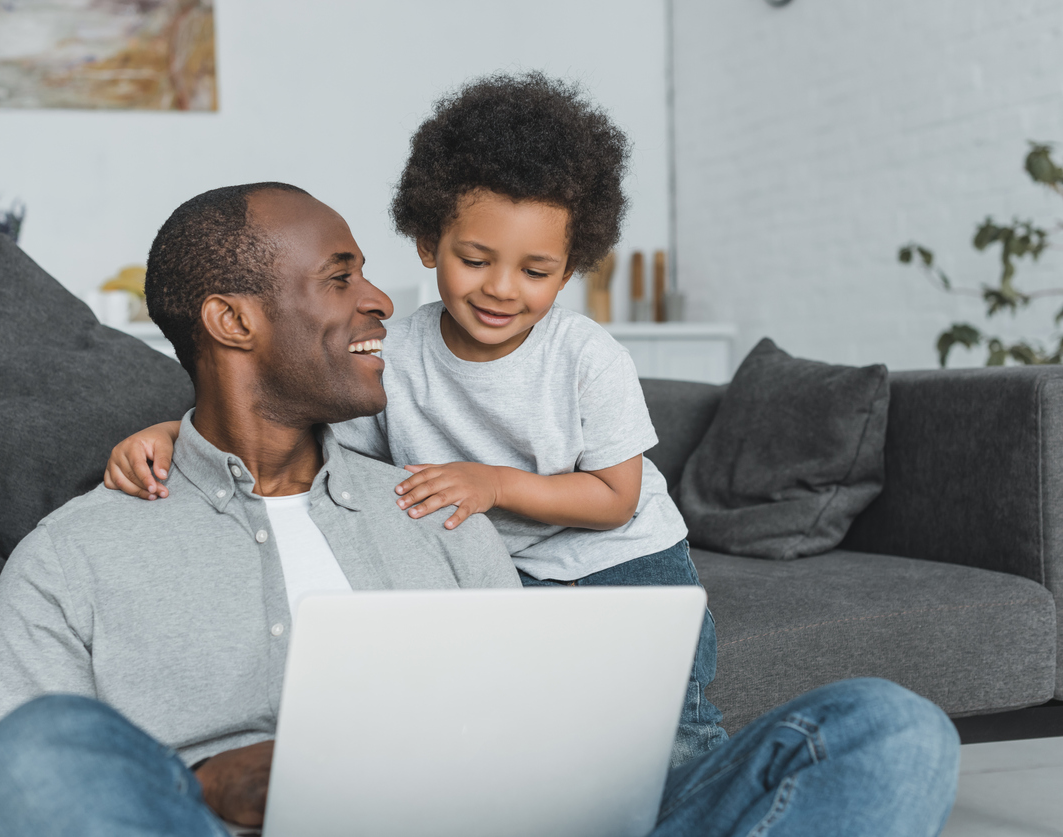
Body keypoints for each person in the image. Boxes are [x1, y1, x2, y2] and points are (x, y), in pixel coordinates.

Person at [0, 183, 961, 837]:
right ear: (231, 319)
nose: (384, 301)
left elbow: (521, 726)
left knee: (887, 729)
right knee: (34, 760)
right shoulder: (72, 556)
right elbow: (44, 798)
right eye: (340, 276)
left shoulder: (432, 506)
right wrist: (211, 787)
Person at [103, 72, 722, 767]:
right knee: (536, 746)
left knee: (673, 741)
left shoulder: (586, 356)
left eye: (535, 270)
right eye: (475, 259)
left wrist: (493, 484)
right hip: (505, 575)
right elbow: (301, 436)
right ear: (429, 243)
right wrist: (172, 435)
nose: (500, 288)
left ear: (571, 268)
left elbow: (616, 497)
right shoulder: (389, 356)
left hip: (628, 567)